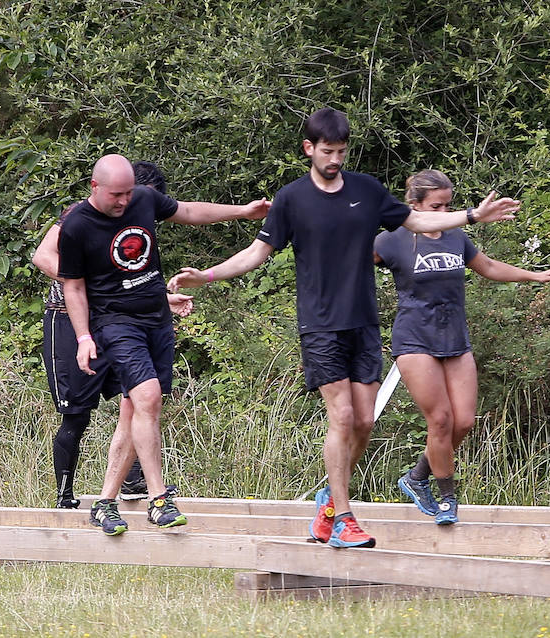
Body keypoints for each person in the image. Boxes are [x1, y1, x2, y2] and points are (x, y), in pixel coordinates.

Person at [168, 107, 520, 548]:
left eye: (341, 151)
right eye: (327, 151)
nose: (335, 159)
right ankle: (344, 518)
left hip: (363, 322)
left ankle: (329, 504)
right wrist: (209, 275)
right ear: (309, 149)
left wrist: (470, 217)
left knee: (365, 422)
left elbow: (418, 221)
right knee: (344, 415)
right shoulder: (292, 199)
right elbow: (257, 252)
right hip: (320, 325)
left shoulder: (367, 191)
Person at [59, 153, 269, 535]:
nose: (124, 202)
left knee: (134, 410)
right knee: (149, 397)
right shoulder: (76, 226)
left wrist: (243, 211)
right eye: (116, 195)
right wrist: (84, 337)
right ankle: (158, 499)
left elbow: (189, 211)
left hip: (156, 317)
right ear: (95, 187)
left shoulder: (143, 199)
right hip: (114, 323)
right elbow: (72, 285)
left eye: (127, 194)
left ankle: (105, 503)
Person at [373, 169, 550, 524]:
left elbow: (488, 266)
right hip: (414, 339)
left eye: (449, 204)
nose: (445, 211)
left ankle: (417, 478)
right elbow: (349, 263)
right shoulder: (391, 240)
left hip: (454, 339)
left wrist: (535, 275)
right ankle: (447, 499)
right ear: (414, 205)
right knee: (441, 419)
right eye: (436, 205)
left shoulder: (455, 237)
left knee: (462, 421)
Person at [31, 161, 193, 509]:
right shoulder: (79, 218)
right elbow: (42, 256)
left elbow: (123, 285)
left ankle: (132, 485)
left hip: (116, 319)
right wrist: (84, 283)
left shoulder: (135, 213)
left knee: (136, 399)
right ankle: (64, 496)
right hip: (70, 318)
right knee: (77, 413)